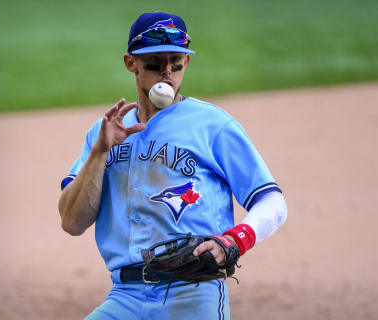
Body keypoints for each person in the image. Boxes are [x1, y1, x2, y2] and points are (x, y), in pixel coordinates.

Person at [58, 11, 287, 320]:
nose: (166, 73)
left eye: (175, 62)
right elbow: (72, 222)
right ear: (131, 64)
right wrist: (100, 153)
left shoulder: (212, 125)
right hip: (125, 294)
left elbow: (273, 202)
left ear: (186, 63)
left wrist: (234, 240)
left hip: (193, 291)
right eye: (155, 63)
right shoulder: (106, 133)